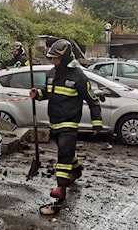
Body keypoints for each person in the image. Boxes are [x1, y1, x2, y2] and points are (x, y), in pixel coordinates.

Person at [29, 39, 103, 201]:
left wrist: (96, 122)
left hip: (69, 122)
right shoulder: (51, 73)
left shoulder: (79, 77)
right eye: (52, 58)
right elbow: (48, 92)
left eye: (56, 58)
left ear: (66, 58)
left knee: (63, 152)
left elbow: (92, 100)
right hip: (54, 121)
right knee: (66, 151)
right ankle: (76, 170)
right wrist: (38, 94)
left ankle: (61, 187)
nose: (54, 61)